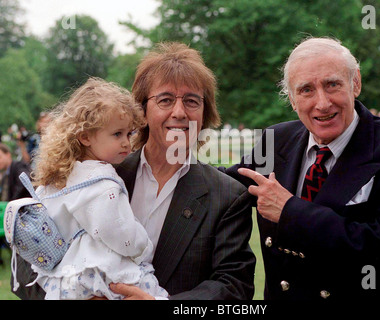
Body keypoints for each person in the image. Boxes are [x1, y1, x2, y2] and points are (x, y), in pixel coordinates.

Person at [14, 43, 256, 300]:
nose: (179, 112)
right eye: (165, 100)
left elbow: (234, 287)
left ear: (205, 112)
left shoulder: (227, 195)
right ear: (141, 111)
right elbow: (25, 266)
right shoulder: (90, 174)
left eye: (192, 101)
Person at [221, 37, 380, 300]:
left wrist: (290, 212)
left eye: (332, 85)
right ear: (293, 100)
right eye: (306, 90)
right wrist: (164, 161)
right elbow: (224, 187)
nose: (322, 103)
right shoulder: (275, 140)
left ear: (355, 83)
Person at [13, 78, 169, 300]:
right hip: (101, 275)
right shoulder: (101, 183)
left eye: (129, 134)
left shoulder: (57, 179)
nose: (126, 142)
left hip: (64, 281)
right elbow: (120, 233)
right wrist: (143, 248)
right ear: (85, 136)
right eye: (117, 134)